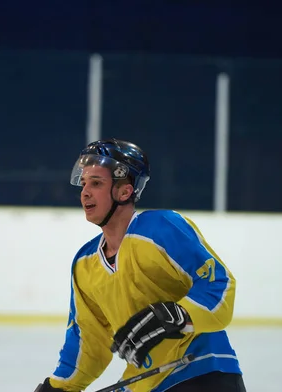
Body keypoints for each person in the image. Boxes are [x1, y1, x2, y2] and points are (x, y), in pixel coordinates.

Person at [34, 138, 246, 392]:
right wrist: (59, 388)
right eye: (84, 184)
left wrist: (179, 314)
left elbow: (218, 284)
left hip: (202, 372)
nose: (85, 192)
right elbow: (87, 341)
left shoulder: (161, 228)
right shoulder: (84, 263)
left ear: (124, 191)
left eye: (97, 183)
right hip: (142, 384)